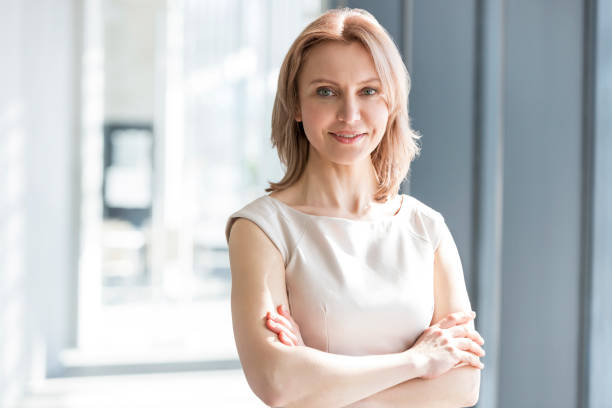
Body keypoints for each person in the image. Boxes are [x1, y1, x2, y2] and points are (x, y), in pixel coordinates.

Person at [225, 7, 485, 408]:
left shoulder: (426, 228)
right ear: (296, 103)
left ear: (391, 103)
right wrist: (418, 361)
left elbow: (462, 387)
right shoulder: (261, 229)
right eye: (326, 91)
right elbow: (277, 382)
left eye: (368, 91)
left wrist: (316, 381)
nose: (349, 114)